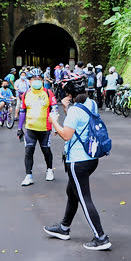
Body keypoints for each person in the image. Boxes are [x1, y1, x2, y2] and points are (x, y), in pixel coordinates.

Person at [44, 73, 111, 250]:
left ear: (69, 94)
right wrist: (67, 109)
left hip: (77, 161)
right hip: (91, 158)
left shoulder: (75, 110)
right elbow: (81, 124)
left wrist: (54, 121)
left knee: (84, 197)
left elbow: (66, 135)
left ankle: (101, 237)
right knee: (72, 192)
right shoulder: (91, 104)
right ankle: (64, 228)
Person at [18, 68, 57, 185]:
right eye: (34, 79)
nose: (36, 81)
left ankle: (49, 170)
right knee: (28, 151)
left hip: (45, 128)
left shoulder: (48, 92)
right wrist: (20, 128)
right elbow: (22, 111)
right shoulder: (26, 94)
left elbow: (54, 109)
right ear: (29, 81)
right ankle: (28, 175)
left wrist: (55, 126)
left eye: (39, 79)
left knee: (46, 150)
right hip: (30, 128)